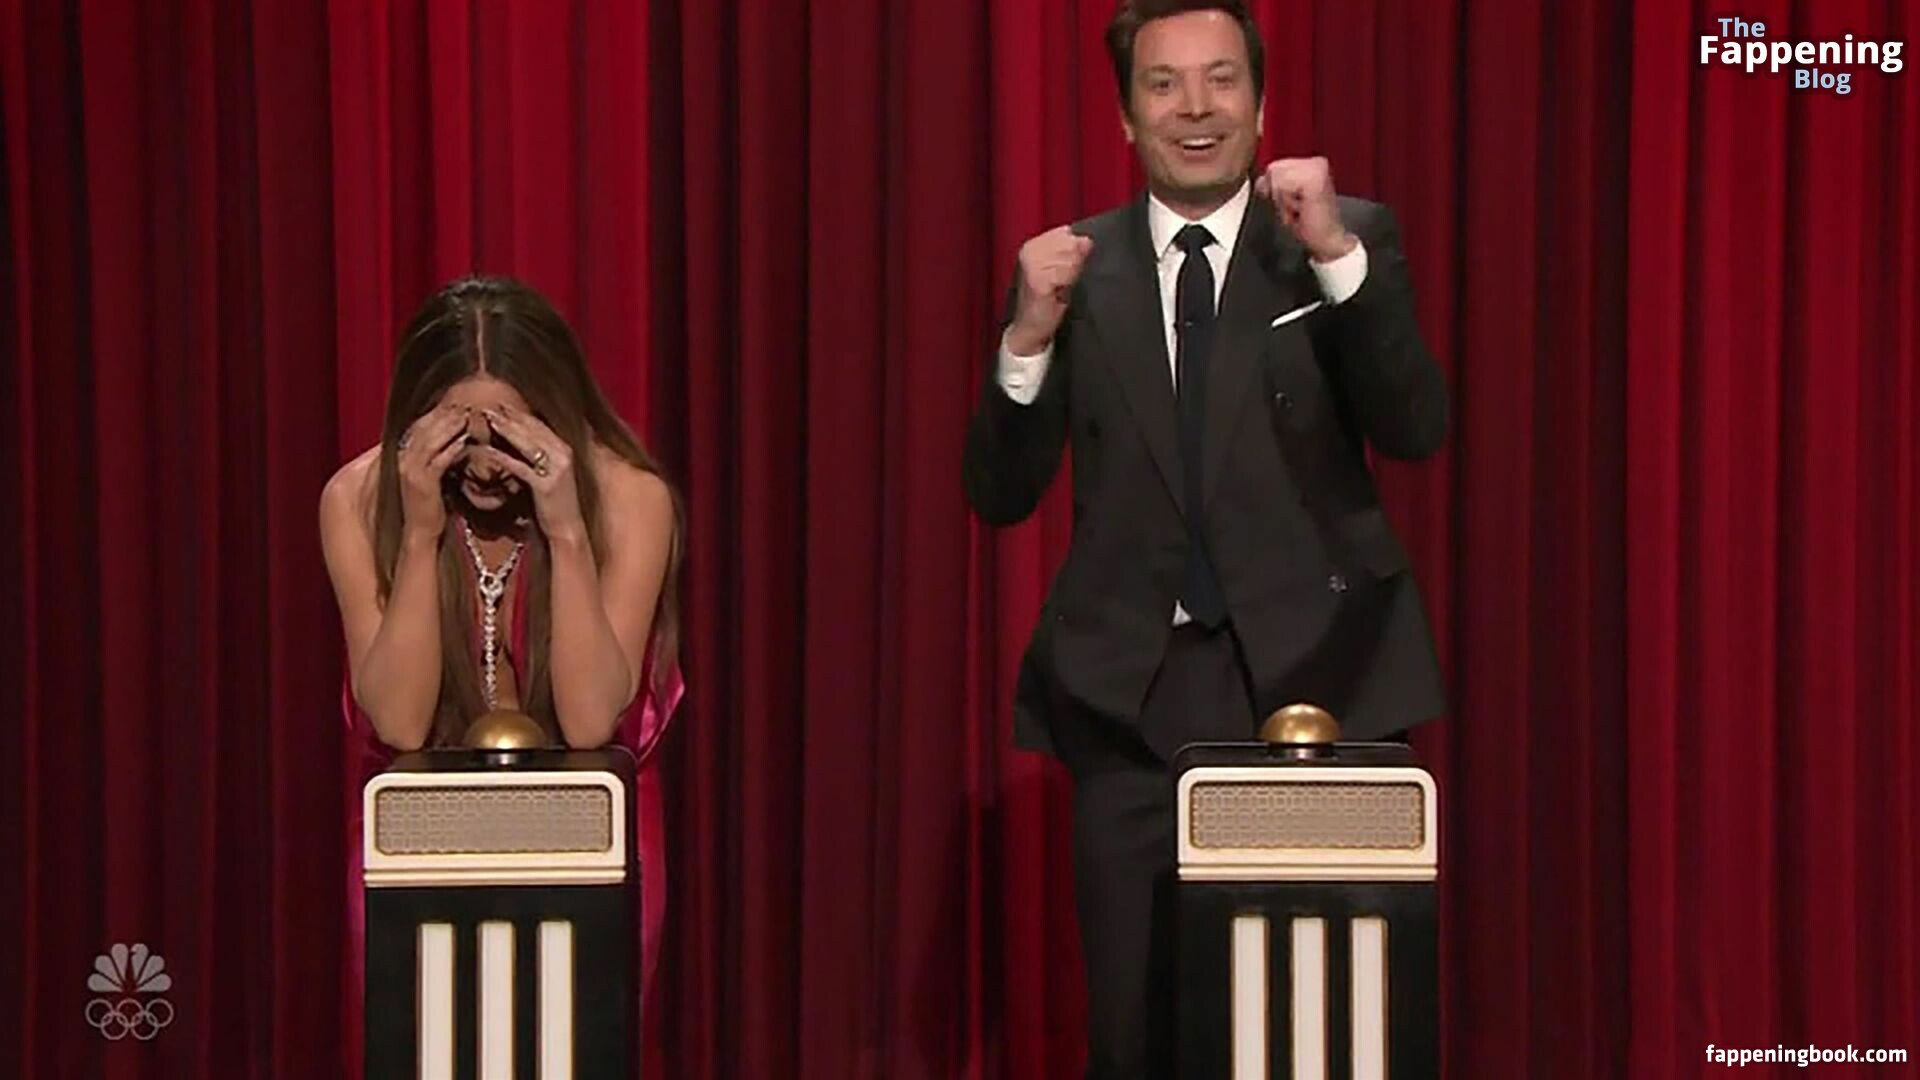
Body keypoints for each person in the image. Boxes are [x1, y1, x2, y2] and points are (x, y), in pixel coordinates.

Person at [962, 2, 1449, 1075]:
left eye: (1221, 80)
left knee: (1314, 1031)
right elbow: (998, 493)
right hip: (1133, 700)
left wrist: (1338, 260)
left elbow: (1416, 425)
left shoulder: (1337, 239)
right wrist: (1025, 341)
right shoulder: (1073, 270)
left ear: (1261, 105)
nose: (1196, 108)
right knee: (1135, 1035)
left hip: (1320, 686)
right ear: (1125, 115)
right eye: (1164, 84)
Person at [319, 275, 684, 1043]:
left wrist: (568, 532)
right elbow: (400, 724)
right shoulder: (357, 500)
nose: (487, 466)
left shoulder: (630, 500)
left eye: (510, 438)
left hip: (589, 846)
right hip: (418, 844)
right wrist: (420, 536)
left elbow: (591, 721)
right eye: (461, 438)